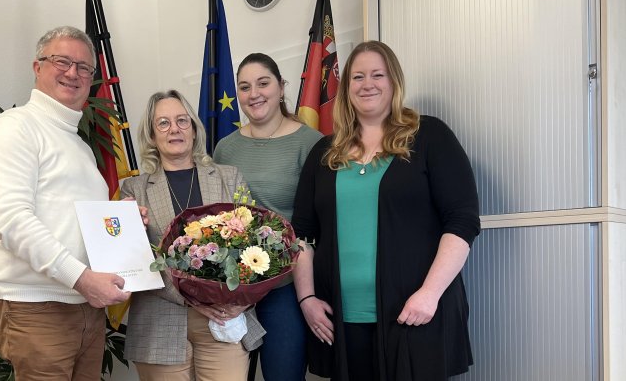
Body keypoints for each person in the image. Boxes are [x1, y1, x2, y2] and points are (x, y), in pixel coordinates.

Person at [292, 40, 480, 380]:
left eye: (378, 75)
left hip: (414, 313)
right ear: (346, 87)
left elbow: (462, 220)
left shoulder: (429, 136)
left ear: (394, 82)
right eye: (357, 77)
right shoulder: (323, 152)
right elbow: (302, 233)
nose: (368, 84)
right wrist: (306, 298)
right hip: (341, 320)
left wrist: (429, 294)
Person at [0, 26, 131, 381]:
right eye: (62, 61)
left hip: (85, 309)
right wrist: (81, 279)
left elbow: (75, 221)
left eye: (84, 68)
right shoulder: (15, 127)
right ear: (37, 67)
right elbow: (11, 220)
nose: (72, 73)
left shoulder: (78, 145)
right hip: (38, 308)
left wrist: (122, 222)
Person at [121, 90, 265, 381]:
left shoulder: (229, 177)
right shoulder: (133, 190)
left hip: (224, 316)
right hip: (159, 322)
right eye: (163, 123)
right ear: (151, 135)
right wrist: (193, 297)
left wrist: (239, 298)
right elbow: (136, 262)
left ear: (194, 129)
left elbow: (257, 246)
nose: (174, 129)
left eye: (182, 121)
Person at [213, 52, 322, 381]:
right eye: (244, 87)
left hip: (286, 286)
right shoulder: (224, 148)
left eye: (263, 83)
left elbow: (320, 221)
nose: (254, 93)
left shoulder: (312, 143)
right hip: (234, 289)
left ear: (281, 86)